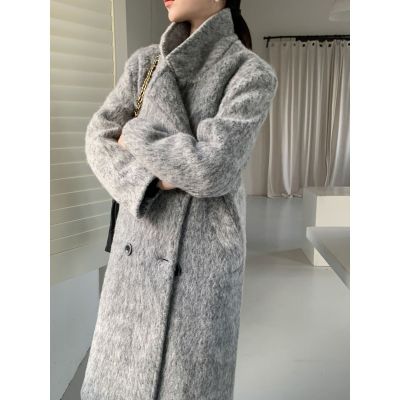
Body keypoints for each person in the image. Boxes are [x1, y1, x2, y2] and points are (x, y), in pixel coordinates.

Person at [81, 1, 278, 399]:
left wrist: (136, 134)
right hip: (136, 254)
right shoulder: (145, 64)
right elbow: (97, 139)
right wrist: (152, 182)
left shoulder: (251, 74)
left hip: (200, 265)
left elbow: (212, 169)